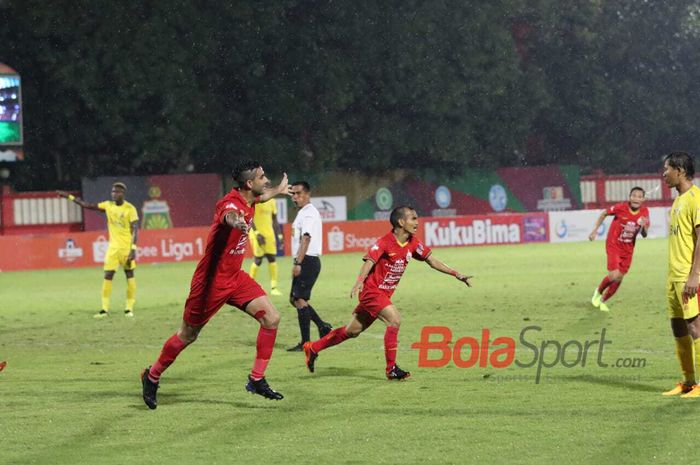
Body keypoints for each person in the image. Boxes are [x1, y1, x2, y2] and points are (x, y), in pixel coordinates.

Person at [140, 161, 290, 409]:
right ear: (249, 184)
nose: (267, 181)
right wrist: (237, 223)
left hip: (235, 278)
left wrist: (279, 190)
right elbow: (227, 215)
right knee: (188, 335)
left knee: (272, 318)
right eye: (263, 178)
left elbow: (260, 199)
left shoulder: (250, 198)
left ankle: (256, 379)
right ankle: (152, 376)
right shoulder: (230, 204)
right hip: (210, 284)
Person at [303, 205, 472, 380]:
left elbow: (432, 260)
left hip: (382, 295)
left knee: (352, 331)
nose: (417, 222)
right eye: (413, 218)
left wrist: (456, 274)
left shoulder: (413, 242)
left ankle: (313, 348)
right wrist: (359, 282)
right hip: (371, 292)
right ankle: (391, 369)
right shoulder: (384, 242)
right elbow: (369, 261)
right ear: (401, 222)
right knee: (394, 320)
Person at [57, 183, 139, 318]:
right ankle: (104, 309)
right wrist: (69, 197)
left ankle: (129, 308)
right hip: (113, 249)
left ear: (122, 194)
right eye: (112, 192)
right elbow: (86, 205)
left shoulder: (130, 209)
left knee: (129, 275)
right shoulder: (108, 206)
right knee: (108, 275)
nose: (114, 194)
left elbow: (135, 229)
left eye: (117, 192)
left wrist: (133, 249)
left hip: (126, 249)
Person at [661, 152, 700, 398]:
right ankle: (688, 381)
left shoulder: (696, 199)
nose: (663, 174)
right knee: (677, 326)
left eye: (666, 169)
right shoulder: (677, 201)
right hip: (674, 276)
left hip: (689, 275)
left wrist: (694, 275)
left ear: (680, 170)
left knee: (695, 327)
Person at [287, 181, 332, 351]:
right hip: (305, 260)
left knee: (298, 299)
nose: (296, 197)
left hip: (307, 260)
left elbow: (306, 238)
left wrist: (298, 262)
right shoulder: (303, 212)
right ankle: (323, 327)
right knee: (295, 298)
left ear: (308, 194)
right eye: (294, 194)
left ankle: (306, 342)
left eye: (299, 193)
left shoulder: (308, 214)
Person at [589, 187, 649, 312]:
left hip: (628, 250)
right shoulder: (621, 208)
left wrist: (643, 226)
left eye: (639, 196)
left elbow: (644, 235)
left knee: (619, 278)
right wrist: (595, 230)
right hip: (614, 245)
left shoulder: (644, 212)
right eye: (634, 195)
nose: (636, 198)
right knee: (613, 275)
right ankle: (598, 292)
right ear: (629, 197)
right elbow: (604, 213)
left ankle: (602, 301)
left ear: (643, 199)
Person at [248, 198, 283, 296]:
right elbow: (249, 218)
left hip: (269, 234)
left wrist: (279, 235)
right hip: (256, 235)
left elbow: (274, 219)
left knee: (272, 259)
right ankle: (248, 286)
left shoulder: (272, 201)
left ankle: (274, 288)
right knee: (258, 260)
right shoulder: (254, 201)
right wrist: (257, 233)